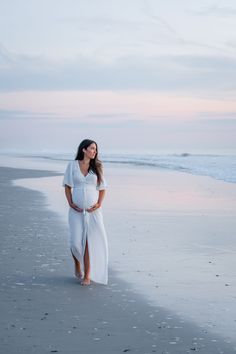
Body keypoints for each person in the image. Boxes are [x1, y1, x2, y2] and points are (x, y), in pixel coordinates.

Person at [62, 139, 108, 286]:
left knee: (88, 243)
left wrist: (99, 204)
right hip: (76, 211)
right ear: (84, 149)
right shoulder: (72, 165)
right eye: (92, 148)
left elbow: (102, 188)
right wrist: (70, 202)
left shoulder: (98, 167)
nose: (94, 151)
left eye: (96, 149)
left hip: (93, 212)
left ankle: (87, 275)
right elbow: (67, 186)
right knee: (75, 243)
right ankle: (77, 263)